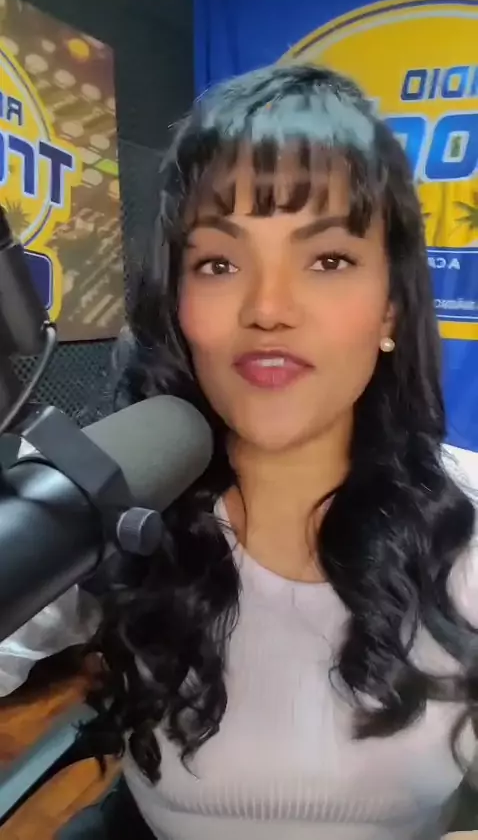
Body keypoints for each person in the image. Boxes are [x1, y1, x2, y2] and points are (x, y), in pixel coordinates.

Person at [6, 63, 478, 840]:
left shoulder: (468, 525)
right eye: (219, 264)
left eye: (328, 260)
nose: (268, 308)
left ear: (391, 309)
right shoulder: (108, 499)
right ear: (178, 302)